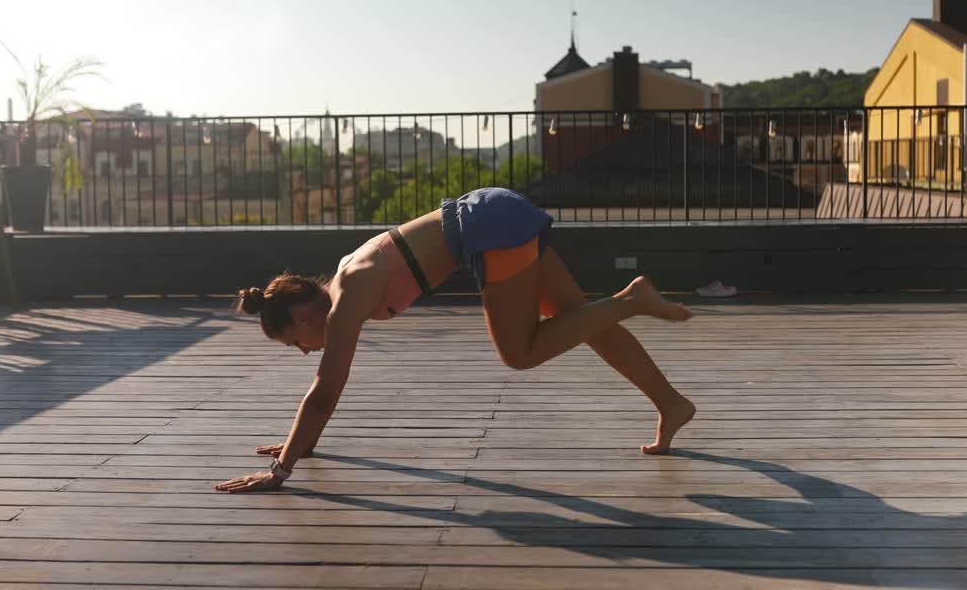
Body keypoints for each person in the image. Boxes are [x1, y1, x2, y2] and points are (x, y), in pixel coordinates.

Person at [215, 187, 697, 493]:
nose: (305, 351)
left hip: (488, 227)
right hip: (491, 211)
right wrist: (300, 444)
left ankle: (631, 299)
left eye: (295, 342)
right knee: (580, 320)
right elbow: (324, 396)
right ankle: (671, 404)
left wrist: (280, 472)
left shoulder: (347, 301)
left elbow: (324, 392)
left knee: (520, 352)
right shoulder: (345, 276)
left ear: (303, 316)